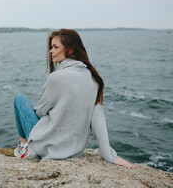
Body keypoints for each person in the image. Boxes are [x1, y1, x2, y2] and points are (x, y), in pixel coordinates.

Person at [13, 29, 136, 169]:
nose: (51, 51)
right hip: (75, 151)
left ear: (70, 50)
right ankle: (25, 146)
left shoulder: (56, 77)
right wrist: (109, 155)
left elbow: (41, 112)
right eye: (51, 47)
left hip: (48, 147)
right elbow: (97, 120)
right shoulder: (93, 79)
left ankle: (24, 146)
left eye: (55, 47)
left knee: (20, 99)